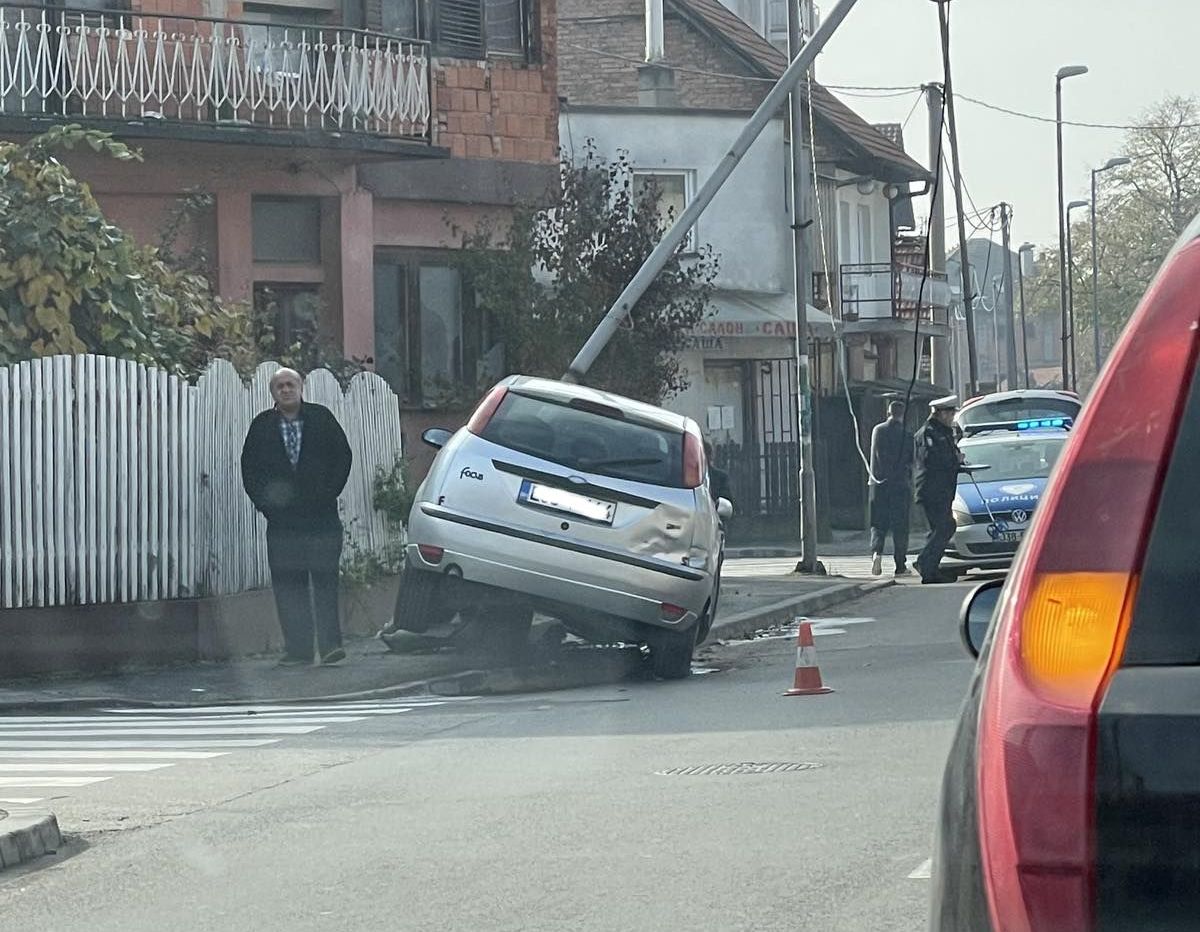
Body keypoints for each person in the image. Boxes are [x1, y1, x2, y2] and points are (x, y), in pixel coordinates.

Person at [241, 368, 353, 666]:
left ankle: (331, 646)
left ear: (301, 387)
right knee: (289, 587)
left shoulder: (321, 419)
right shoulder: (261, 427)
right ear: (272, 393)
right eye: (279, 386)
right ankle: (299, 651)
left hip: (321, 519)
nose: (286, 389)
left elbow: (342, 457)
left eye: (291, 384)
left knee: (325, 581)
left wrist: (328, 493)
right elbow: (250, 471)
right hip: (283, 523)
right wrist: (268, 506)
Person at [913, 395, 965, 585]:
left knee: (939, 528)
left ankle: (931, 569)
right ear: (940, 413)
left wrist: (959, 460)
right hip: (932, 490)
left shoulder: (942, 432)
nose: (952, 417)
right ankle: (925, 563)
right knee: (946, 526)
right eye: (950, 413)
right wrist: (955, 461)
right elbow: (933, 460)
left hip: (942, 489)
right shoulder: (929, 433)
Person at [868, 400, 913, 577]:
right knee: (900, 527)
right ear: (902, 415)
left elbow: (877, 456)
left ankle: (876, 554)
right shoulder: (907, 435)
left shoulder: (878, 431)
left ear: (888, 413)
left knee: (878, 524)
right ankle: (900, 565)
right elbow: (911, 461)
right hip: (900, 485)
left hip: (879, 485)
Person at [703, 439, 733, 509]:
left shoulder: (721, 478)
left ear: (710, 456)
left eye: (705, 454)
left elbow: (726, 504)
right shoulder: (682, 478)